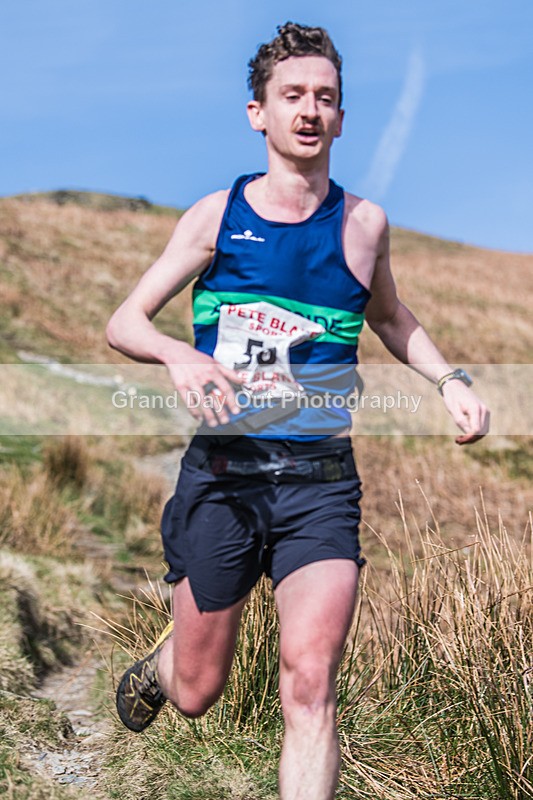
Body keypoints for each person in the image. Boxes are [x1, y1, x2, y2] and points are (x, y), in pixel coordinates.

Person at [107, 22, 489, 800]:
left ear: (341, 118)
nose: (309, 111)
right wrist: (181, 356)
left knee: (309, 683)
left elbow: (388, 317)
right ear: (259, 113)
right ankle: (163, 661)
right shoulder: (217, 217)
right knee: (196, 689)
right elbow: (124, 322)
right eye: (293, 96)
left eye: (325, 98)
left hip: (319, 486)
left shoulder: (363, 225)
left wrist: (448, 379)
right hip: (223, 476)